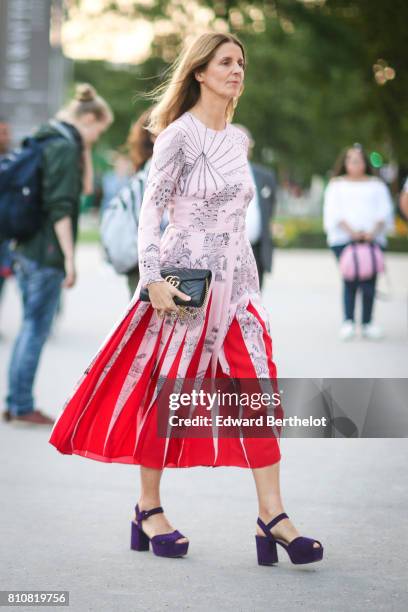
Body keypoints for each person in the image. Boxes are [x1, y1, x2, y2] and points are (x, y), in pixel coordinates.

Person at [49, 33, 323, 565]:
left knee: (258, 396)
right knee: (168, 397)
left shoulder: (239, 138)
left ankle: (273, 516)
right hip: (184, 286)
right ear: (199, 71)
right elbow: (152, 210)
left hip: (238, 289)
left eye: (241, 62)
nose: (237, 70)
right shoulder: (177, 135)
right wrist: (152, 277)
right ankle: (148, 508)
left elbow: (241, 219)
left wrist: (250, 284)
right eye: (225, 61)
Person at [3, 84, 113, 425]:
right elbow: (61, 208)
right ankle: (22, 405)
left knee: (29, 328)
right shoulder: (64, 147)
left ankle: (15, 401)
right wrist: (69, 259)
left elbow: (84, 189)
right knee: (36, 328)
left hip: (23, 247)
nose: (97, 136)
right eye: (99, 129)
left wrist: (85, 147)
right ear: (90, 118)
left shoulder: (48, 137)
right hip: (46, 252)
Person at [323, 143, 394, 341]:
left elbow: (385, 212)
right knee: (350, 279)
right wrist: (352, 232)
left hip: (372, 240)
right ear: (345, 162)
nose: (355, 163)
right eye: (351, 160)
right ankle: (348, 321)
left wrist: (371, 233)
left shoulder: (377, 185)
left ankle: (367, 322)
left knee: (369, 281)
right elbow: (333, 214)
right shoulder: (336, 185)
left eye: (359, 160)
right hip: (344, 241)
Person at [234, 123, 276, 288]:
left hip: (257, 250)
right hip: (227, 251)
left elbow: (269, 209)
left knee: (255, 300)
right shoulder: (217, 176)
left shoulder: (265, 176)